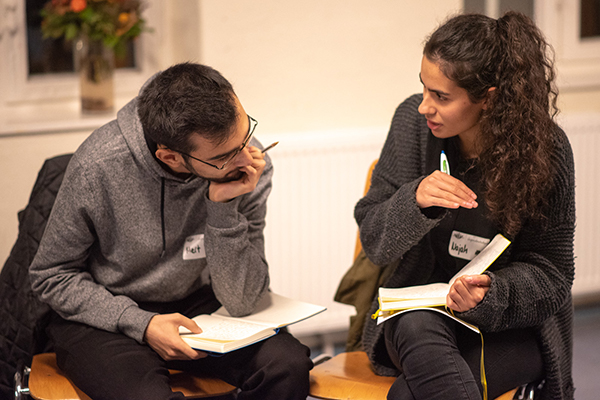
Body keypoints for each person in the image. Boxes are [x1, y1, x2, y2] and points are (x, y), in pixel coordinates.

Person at [29, 62, 313, 400]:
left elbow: (243, 300)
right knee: (145, 395)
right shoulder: (98, 167)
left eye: (246, 134)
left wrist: (222, 210)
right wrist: (142, 324)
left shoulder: (247, 167)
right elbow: (50, 275)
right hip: (108, 311)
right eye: (225, 156)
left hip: (197, 301)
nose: (246, 159)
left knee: (287, 366)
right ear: (171, 157)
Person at [354, 12, 575, 400]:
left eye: (441, 96)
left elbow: (553, 274)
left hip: (507, 324)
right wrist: (414, 202)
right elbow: (374, 241)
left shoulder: (547, 150)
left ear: (488, 99)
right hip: (415, 318)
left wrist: (492, 293)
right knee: (415, 325)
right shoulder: (413, 124)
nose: (424, 107)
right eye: (423, 88)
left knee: (407, 395)